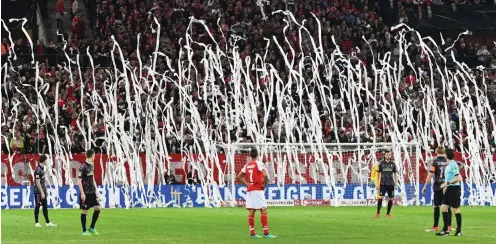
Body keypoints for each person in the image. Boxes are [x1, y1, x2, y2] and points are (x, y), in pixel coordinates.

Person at [237, 149, 277, 239]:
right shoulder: (259, 163)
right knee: (263, 210)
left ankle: (252, 233)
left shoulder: (247, 165)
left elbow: (239, 176)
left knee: (252, 211)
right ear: (257, 155)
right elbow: (266, 175)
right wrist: (264, 185)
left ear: (250, 155)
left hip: (250, 190)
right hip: (258, 190)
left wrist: (247, 184)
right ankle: (266, 233)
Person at [422, 146, 452, 232]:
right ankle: (449, 226)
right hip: (446, 185)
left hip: (438, 186)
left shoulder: (435, 162)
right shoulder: (448, 162)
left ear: (436, 152)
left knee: (436, 206)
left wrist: (425, 186)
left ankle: (435, 226)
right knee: (447, 206)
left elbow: (431, 175)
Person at [436, 148, 463, 236]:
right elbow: (450, 178)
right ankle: (445, 230)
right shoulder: (449, 164)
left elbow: (457, 178)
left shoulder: (453, 164)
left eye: (444, 153)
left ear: (446, 155)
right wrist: (446, 186)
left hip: (454, 189)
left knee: (455, 209)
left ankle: (459, 231)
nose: (443, 155)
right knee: (444, 208)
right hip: (449, 188)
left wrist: (446, 183)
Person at [78, 149, 101, 236]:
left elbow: (92, 178)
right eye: (94, 155)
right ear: (91, 156)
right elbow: (79, 181)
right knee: (85, 211)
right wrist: (82, 193)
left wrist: (96, 190)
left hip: (92, 192)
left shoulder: (92, 165)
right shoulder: (82, 167)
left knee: (98, 208)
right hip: (86, 192)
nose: (95, 157)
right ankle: (84, 231)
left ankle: (92, 227)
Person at [34, 155, 57, 227]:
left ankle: (47, 222)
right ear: (44, 161)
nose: (48, 161)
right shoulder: (38, 170)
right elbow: (37, 183)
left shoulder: (42, 168)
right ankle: (36, 222)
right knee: (37, 206)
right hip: (38, 191)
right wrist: (42, 192)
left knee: (45, 206)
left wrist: (44, 190)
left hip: (43, 190)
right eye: (47, 160)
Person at [375, 150, 398, 218]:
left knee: (390, 199)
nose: (388, 156)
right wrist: (377, 184)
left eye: (389, 155)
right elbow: (378, 174)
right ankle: (378, 213)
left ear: (390, 156)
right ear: (385, 155)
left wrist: (396, 184)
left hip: (391, 184)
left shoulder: (393, 164)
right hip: (383, 184)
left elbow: (395, 174)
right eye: (387, 155)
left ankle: (388, 214)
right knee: (381, 197)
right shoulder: (381, 164)